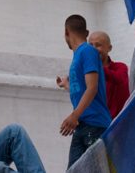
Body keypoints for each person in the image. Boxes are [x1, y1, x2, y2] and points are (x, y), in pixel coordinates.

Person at [57, 15, 108, 165]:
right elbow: (83, 89)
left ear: (67, 32)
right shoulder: (78, 55)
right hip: (82, 124)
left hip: (95, 124)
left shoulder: (87, 51)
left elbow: (92, 88)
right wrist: (67, 86)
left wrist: (74, 116)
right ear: (86, 33)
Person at [90, 31, 129, 117]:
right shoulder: (88, 72)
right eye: (90, 45)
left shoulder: (120, 67)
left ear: (109, 48)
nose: (93, 49)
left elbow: (119, 79)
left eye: (98, 45)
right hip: (100, 124)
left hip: (121, 123)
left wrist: (96, 66)